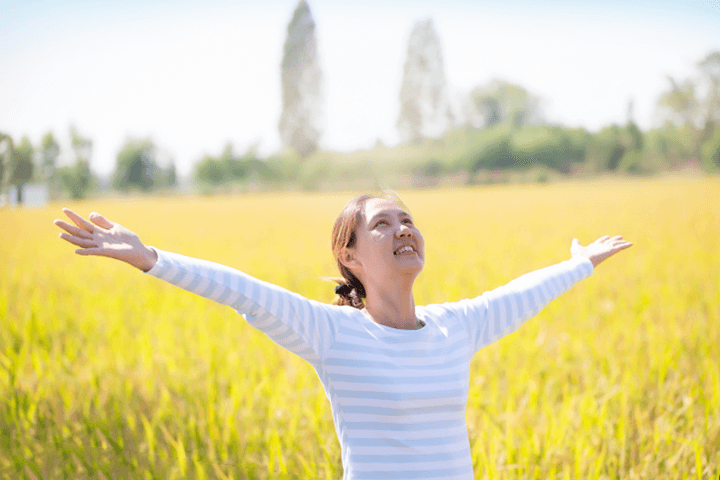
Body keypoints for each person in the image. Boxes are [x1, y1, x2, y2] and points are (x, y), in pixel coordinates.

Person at [54, 194, 632, 479]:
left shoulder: (458, 325)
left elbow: (522, 294)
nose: (403, 228)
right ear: (349, 255)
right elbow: (243, 291)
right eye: (382, 224)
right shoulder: (332, 334)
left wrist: (579, 264)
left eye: (407, 219)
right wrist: (151, 257)